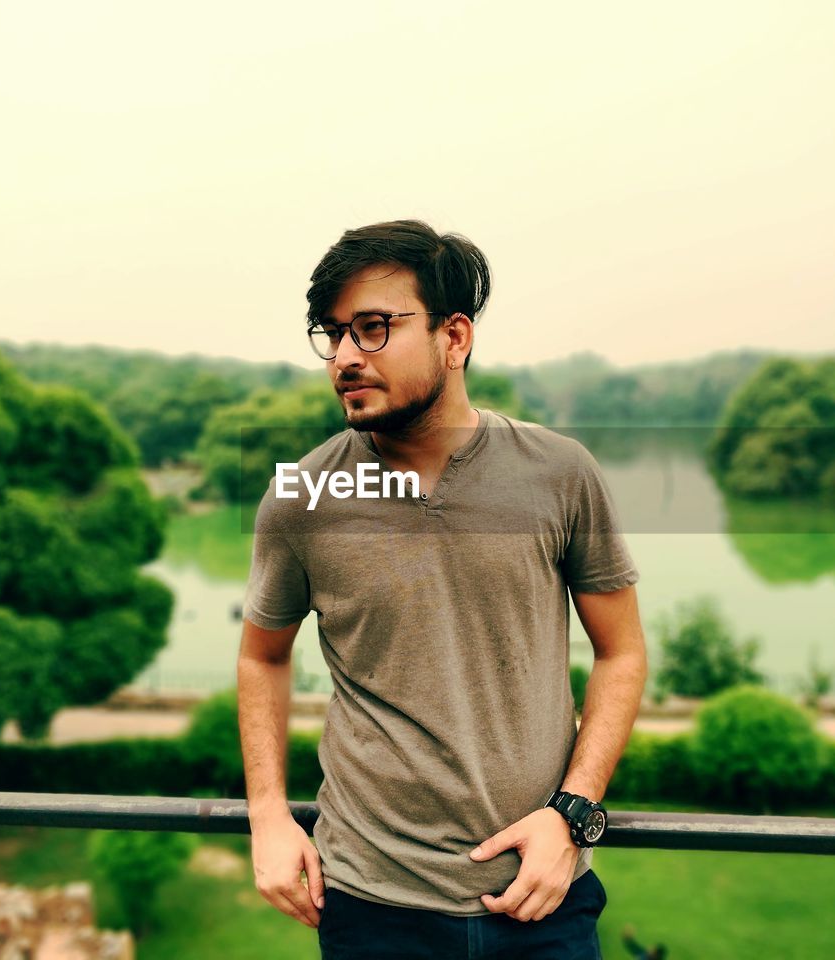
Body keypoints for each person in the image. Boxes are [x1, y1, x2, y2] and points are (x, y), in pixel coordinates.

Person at [238, 220, 647, 959]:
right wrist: (267, 812)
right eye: (333, 334)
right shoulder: (301, 498)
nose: (346, 358)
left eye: (373, 328)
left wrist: (574, 812)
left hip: (542, 894)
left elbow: (621, 651)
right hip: (370, 902)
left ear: (454, 337)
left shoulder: (559, 475)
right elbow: (262, 656)